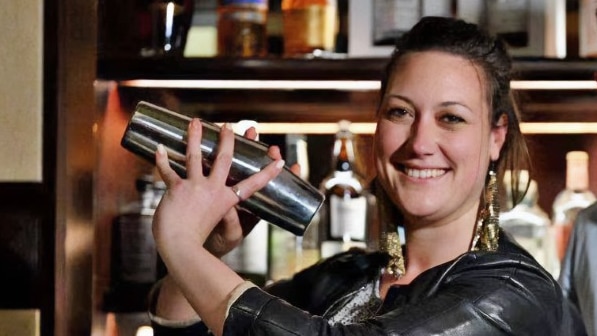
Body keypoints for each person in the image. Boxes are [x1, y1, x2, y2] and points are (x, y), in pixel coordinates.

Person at [148, 17, 586, 335]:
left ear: (496, 137)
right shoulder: (346, 276)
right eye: (401, 112)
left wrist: (181, 245)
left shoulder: (513, 295)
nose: (419, 142)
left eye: (451, 118)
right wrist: (208, 247)